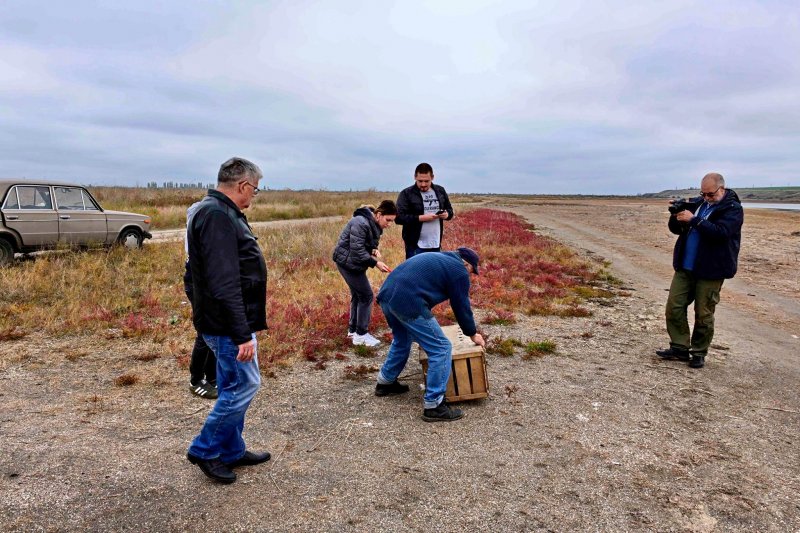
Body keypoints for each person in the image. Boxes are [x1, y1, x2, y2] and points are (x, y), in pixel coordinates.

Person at [186, 157, 270, 484]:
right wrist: (240, 334)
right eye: (255, 190)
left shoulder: (219, 212)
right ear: (243, 186)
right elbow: (223, 282)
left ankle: (232, 450)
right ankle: (205, 449)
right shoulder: (217, 215)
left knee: (233, 386)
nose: (254, 196)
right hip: (227, 326)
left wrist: (201, 307)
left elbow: (193, 276)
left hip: (223, 320)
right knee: (245, 385)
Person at [374, 247, 485, 422]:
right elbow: (461, 306)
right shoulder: (458, 270)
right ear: (466, 264)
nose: (470, 276)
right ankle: (434, 405)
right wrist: (472, 333)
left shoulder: (442, 258)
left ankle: (385, 382)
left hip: (387, 295)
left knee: (402, 339)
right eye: (472, 271)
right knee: (441, 348)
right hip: (407, 301)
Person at [656, 172, 743, 369]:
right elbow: (677, 230)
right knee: (674, 307)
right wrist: (676, 214)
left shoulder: (733, 209)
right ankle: (679, 347)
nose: (706, 198)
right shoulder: (698, 203)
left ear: (722, 189)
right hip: (686, 267)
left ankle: (698, 352)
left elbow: (721, 233)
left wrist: (694, 220)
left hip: (712, 270)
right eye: (703, 194)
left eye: (710, 194)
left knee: (703, 313)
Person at [332, 200, 396, 347]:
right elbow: (357, 251)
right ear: (379, 215)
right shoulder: (360, 222)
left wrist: (374, 249)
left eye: (392, 221)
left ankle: (353, 331)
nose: (389, 224)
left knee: (358, 295)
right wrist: (375, 263)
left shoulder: (374, 224)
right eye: (388, 220)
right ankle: (361, 335)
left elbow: (369, 241)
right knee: (366, 296)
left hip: (354, 264)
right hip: (348, 263)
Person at [184, 200, 217, 399]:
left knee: (216, 329)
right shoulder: (198, 229)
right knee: (205, 332)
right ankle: (196, 380)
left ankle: (212, 377)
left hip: (208, 282)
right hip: (198, 283)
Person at [395, 162, 454, 259]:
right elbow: (398, 218)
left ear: (432, 177)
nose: (423, 184)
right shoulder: (406, 193)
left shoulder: (440, 191)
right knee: (415, 274)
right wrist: (421, 218)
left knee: (434, 274)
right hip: (415, 246)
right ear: (415, 177)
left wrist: (446, 215)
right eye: (420, 181)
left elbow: (450, 211)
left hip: (435, 245)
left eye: (426, 181)